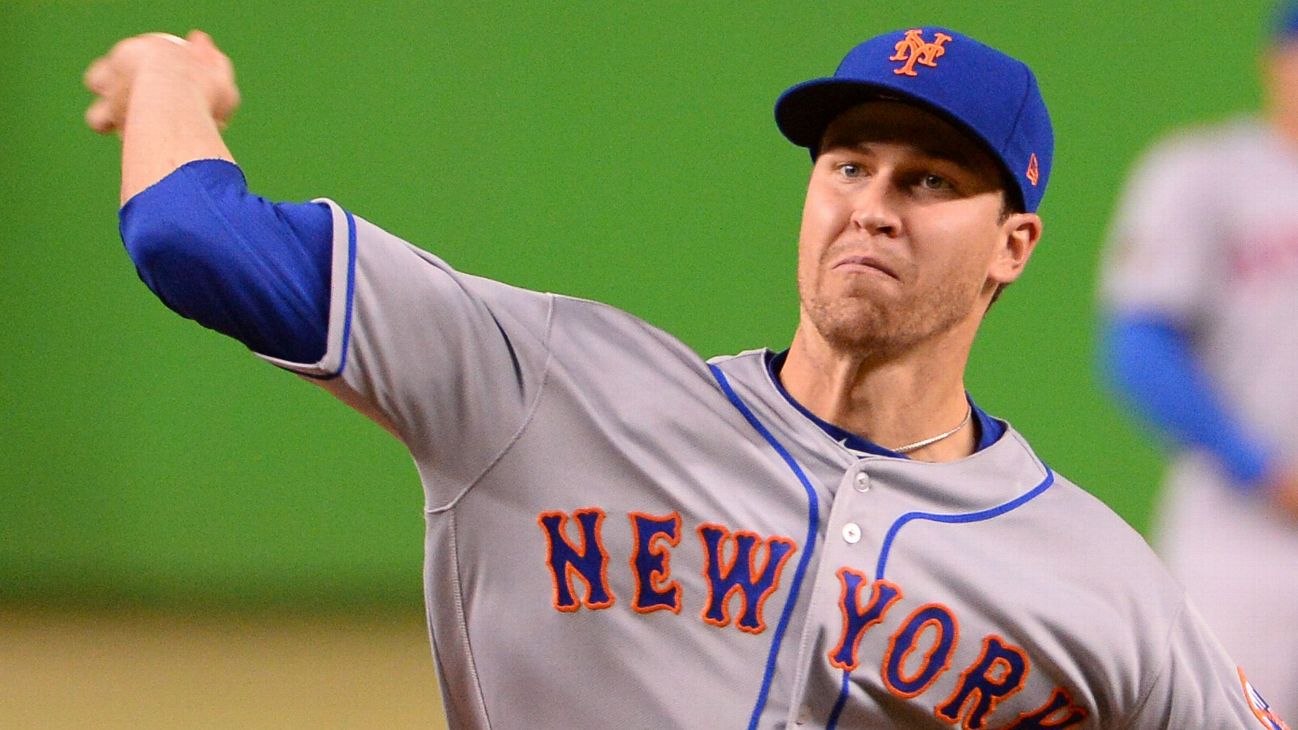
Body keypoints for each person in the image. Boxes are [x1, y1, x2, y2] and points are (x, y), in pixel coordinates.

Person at [85, 26, 1285, 729]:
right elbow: (192, 238)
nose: (870, 205)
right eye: (846, 164)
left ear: (1010, 247)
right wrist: (170, 84)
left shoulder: (1101, 586)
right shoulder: (548, 389)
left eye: (927, 180)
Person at [1099, 2, 1298, 723]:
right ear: (1276, 61)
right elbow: (1140, 348)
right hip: (1245, 544)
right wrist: (1263, 470)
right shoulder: (1207, 173)